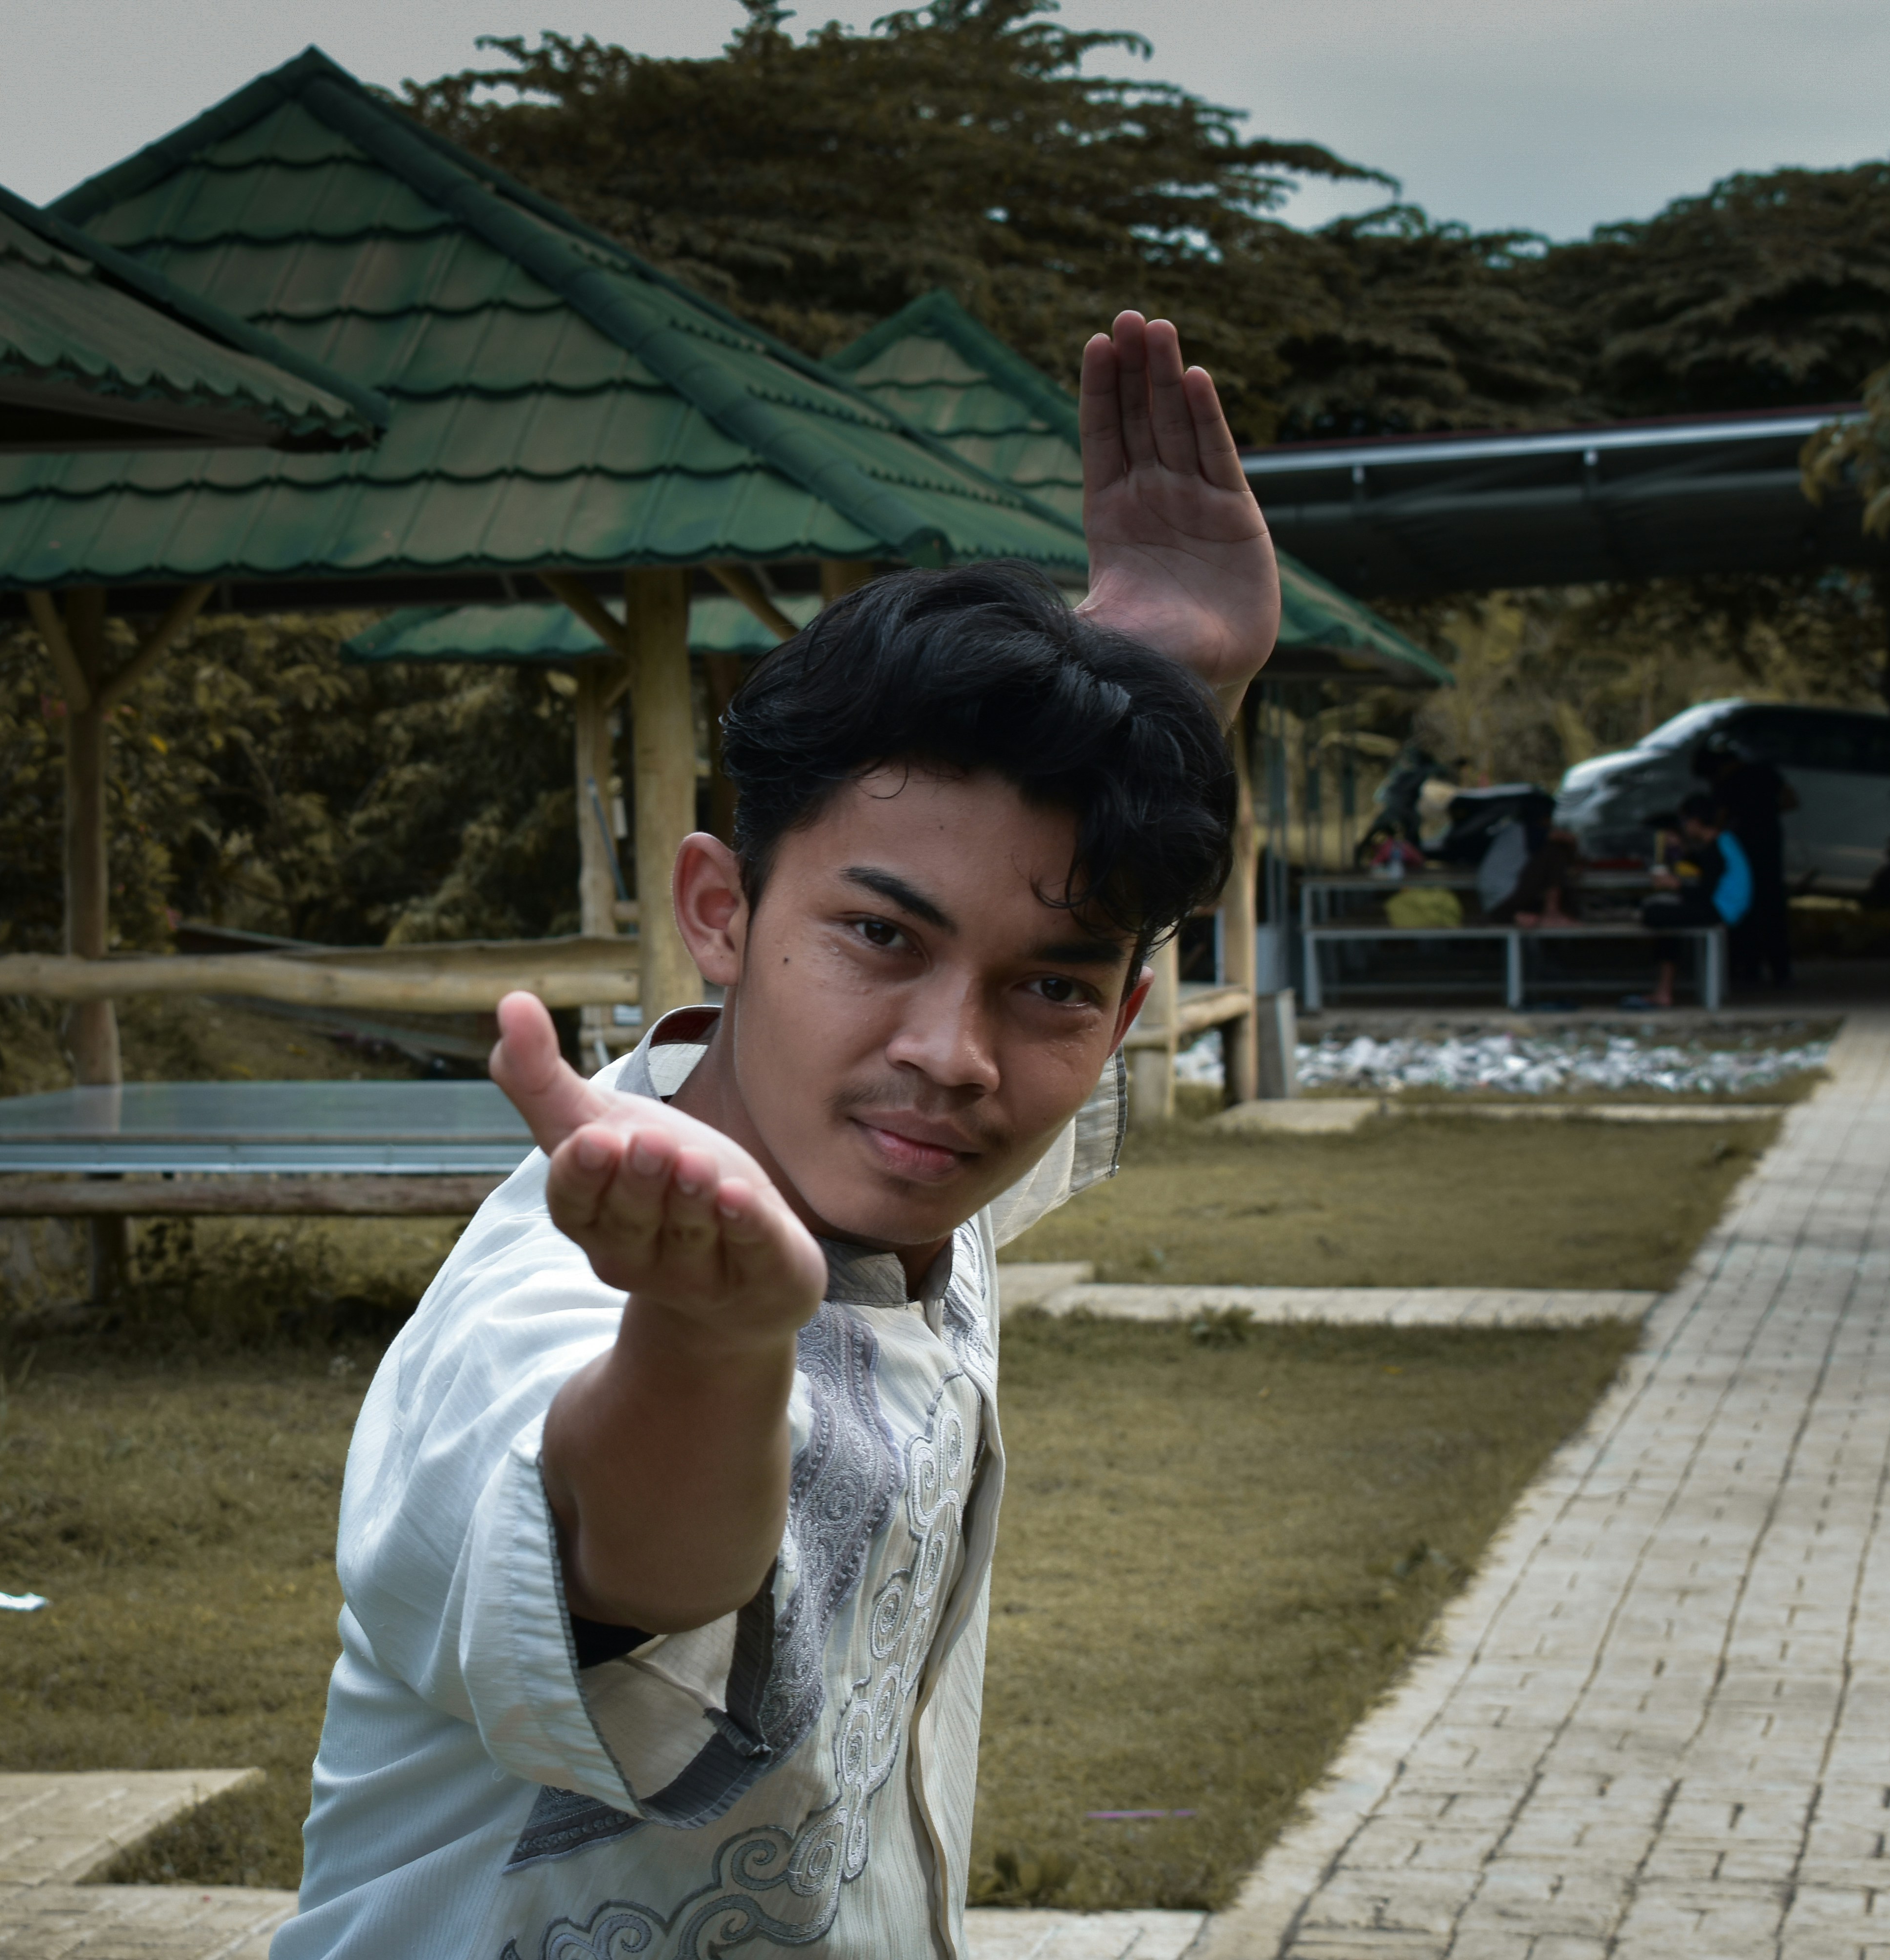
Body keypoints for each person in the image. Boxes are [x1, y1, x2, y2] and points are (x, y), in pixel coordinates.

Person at [273, 313, 1270, 1960]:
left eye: (1050, 990)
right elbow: (627, 1559)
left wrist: (1179, 688)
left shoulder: (903, 1195)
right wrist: (711, 1341)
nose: (952, 1057)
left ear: (1128, 1016)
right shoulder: (558, 1303)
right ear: (720, 913)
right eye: (881, 937)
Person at [1624, 793, 1751, 1009]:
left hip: (1720, 910)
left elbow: (1704, 894)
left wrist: (1675, 885)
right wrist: (1681, 851)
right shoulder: (1723, 842)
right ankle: (1664, 990)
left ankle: (1664, 991)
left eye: (1684, 822)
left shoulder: (1717, 849)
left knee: (1656, 914)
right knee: (1664, 911)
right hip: (1721, 907)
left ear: (1695, 822)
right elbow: (1702, 867)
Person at [1695, 736, 1795, 986]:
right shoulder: (1765, 773)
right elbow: (1791, 800)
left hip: (1743, 852)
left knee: (1747, 913)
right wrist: (1766, 813)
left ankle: (1749, 970)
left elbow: (1719, 819)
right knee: (1773, 910)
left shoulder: (1725, 785)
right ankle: (1781, 971)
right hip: (1770, 849)